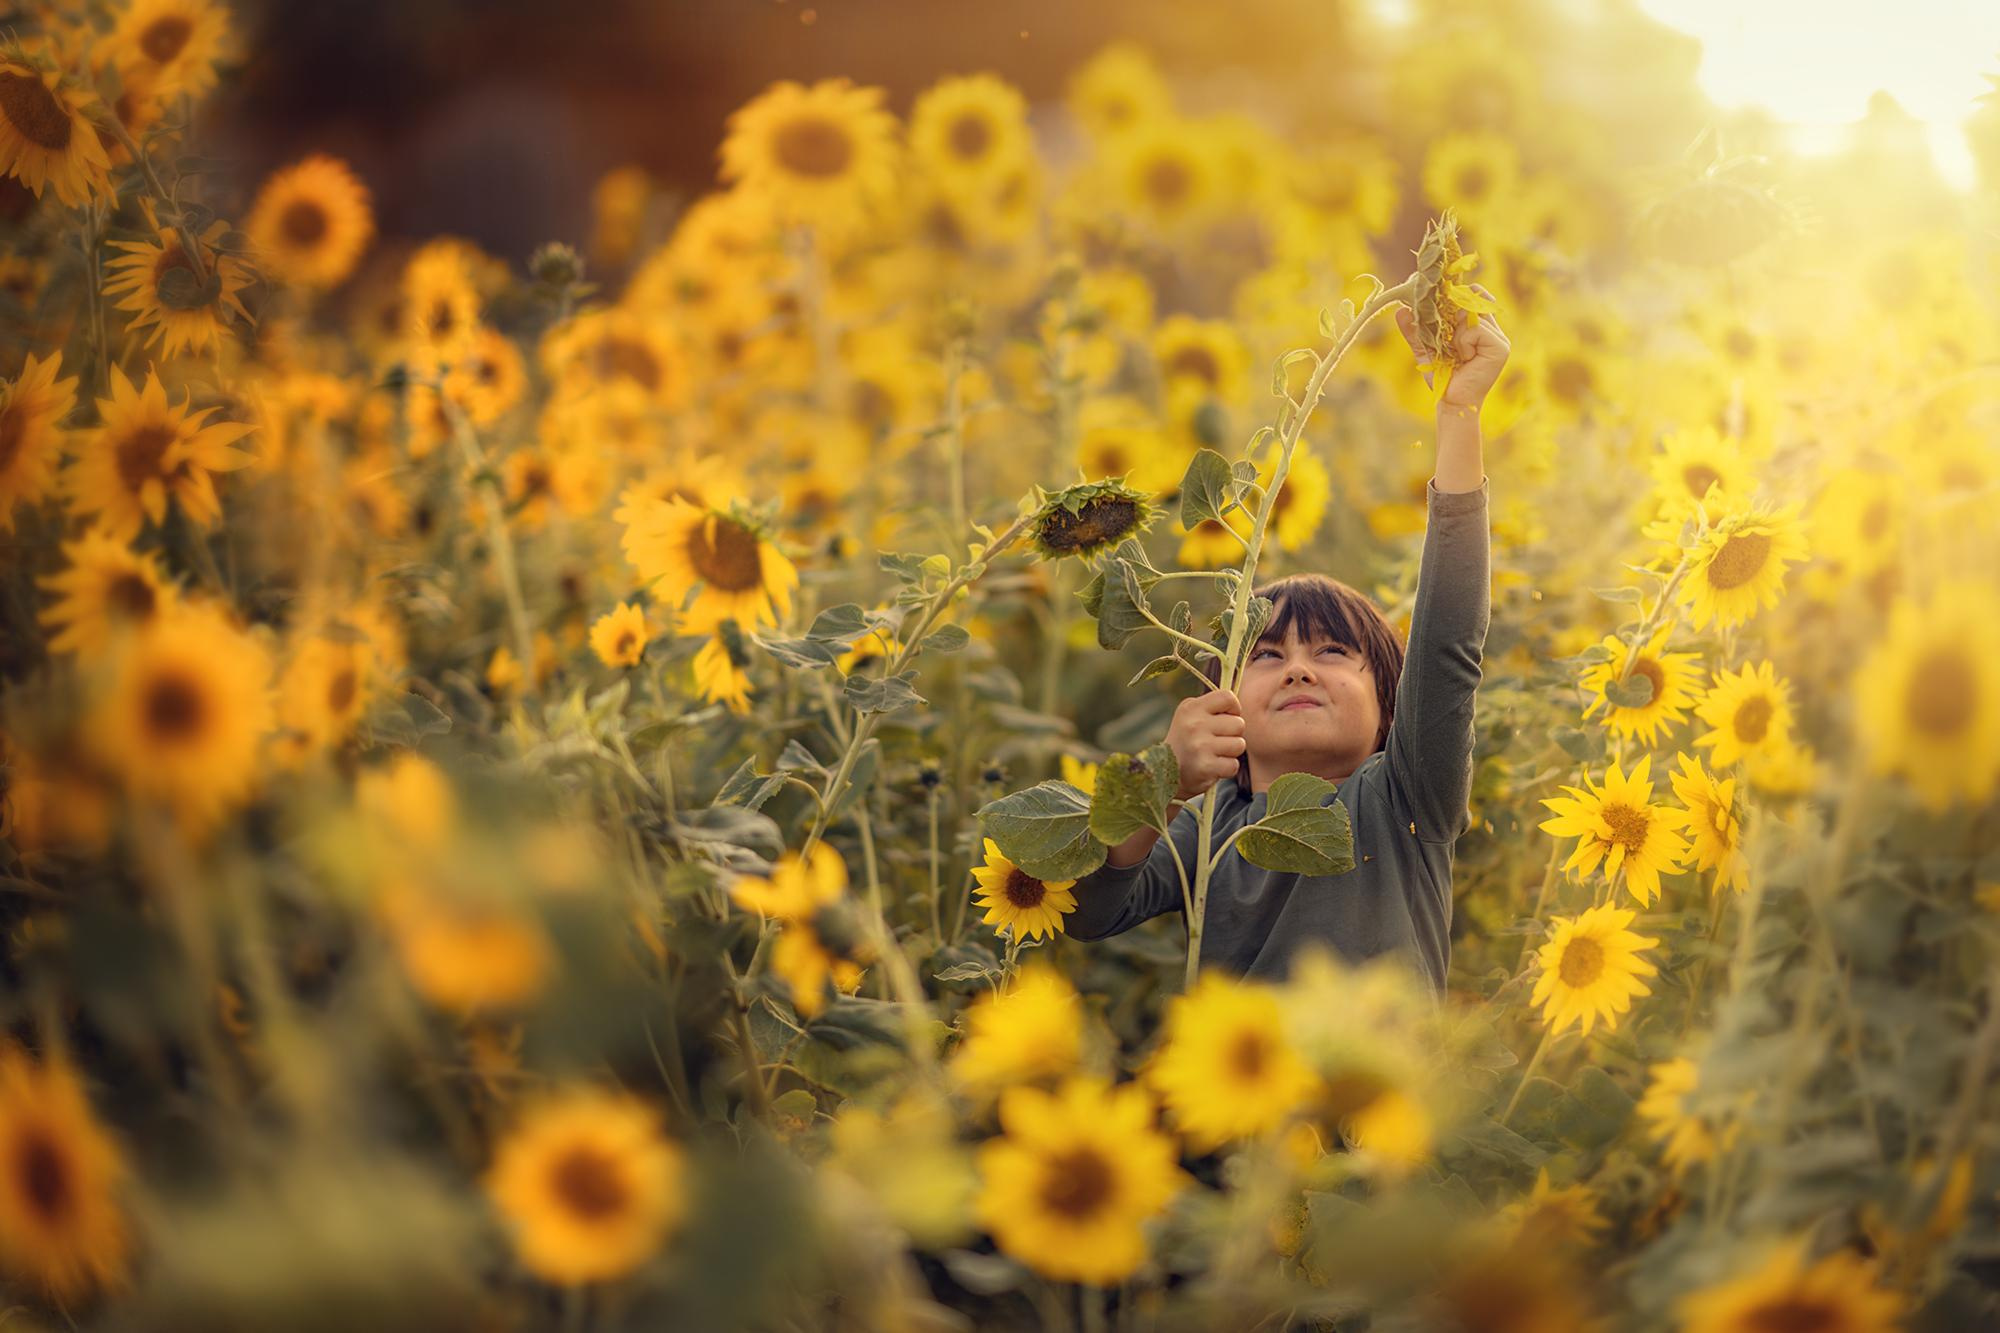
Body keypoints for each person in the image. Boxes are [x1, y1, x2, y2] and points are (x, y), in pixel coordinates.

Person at [1063, 293, 1510, 992]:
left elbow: (1450, 639)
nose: (1298, 669)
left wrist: (1459, 414)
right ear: (1224, 710)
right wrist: (1164, 786)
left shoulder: (1400, 801)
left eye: (1332, 653)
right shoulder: (1211, 827)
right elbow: (1089, 909)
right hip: (1242, 1098)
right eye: (1266, 657)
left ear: (1393, 713)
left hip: (1380, 1098)